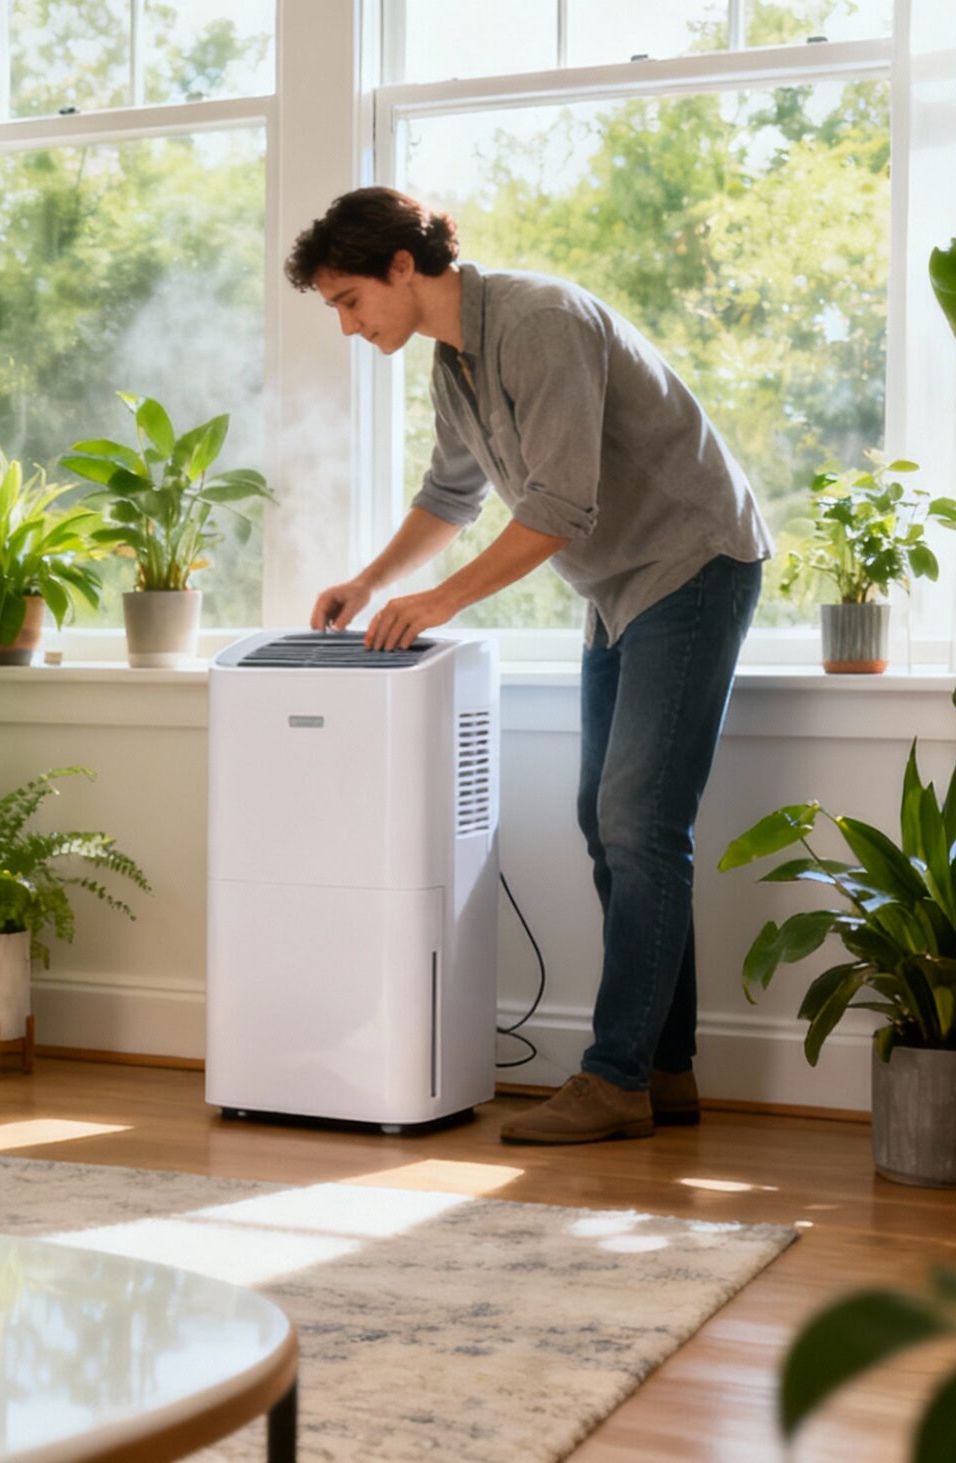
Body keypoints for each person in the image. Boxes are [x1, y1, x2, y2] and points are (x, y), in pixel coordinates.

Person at [288, 186, 772, 1144]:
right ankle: (664, 1068)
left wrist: (439, 601)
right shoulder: (453, 364)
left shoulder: (539, 322)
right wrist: (370, 580)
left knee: (639, 821)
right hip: (618, 590)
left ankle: (616, 1077)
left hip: (692, 563)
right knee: (608, 820)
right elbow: (450, 495)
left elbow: (560, 507)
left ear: (401, 266)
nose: (347, 325)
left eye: (349, 300)